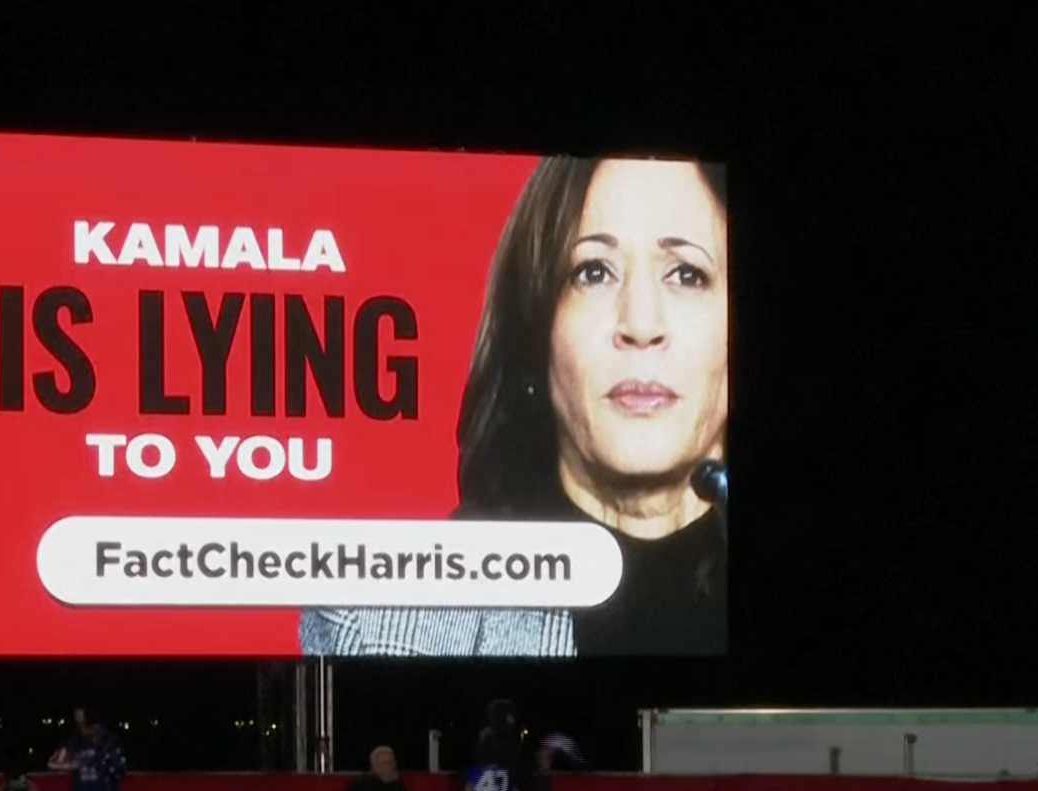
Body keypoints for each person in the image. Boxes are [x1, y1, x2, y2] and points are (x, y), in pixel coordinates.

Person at [300, 155, 729, 658]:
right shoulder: (372, 625)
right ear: (535, 327)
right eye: (593, 272)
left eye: (686, 274)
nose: (639, 323)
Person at [49, 704, 127, 791]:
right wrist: (74, 764)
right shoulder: (74, 742)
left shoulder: (108, 741)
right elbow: (53, 763)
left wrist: (98, 762)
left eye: (83, 722)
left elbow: (120, 770)